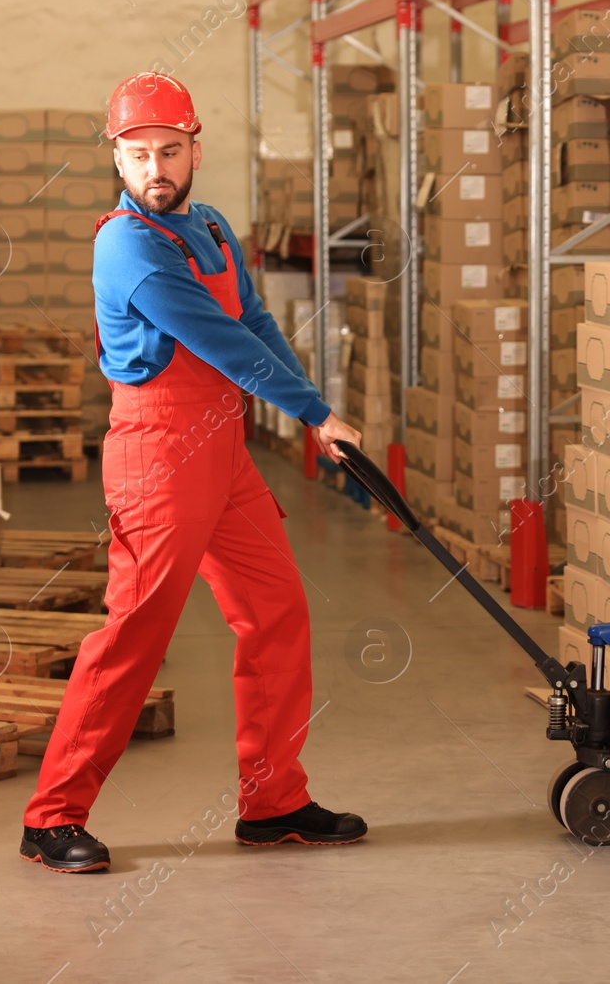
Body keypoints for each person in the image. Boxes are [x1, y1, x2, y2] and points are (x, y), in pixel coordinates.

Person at [19, 72, 365, 873]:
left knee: (276, 609)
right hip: (158, 453)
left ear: (195, 149)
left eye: (168, 151)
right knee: (135, 631)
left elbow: (257, 320)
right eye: (137, 154)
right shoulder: (126, 242)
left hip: (224, 451)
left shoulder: (208, 226)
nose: (154, 169)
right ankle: (52, 814)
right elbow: (219, 340)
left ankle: (274, 800)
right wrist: (315, 414)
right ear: (117, 158)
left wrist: (312, 412)